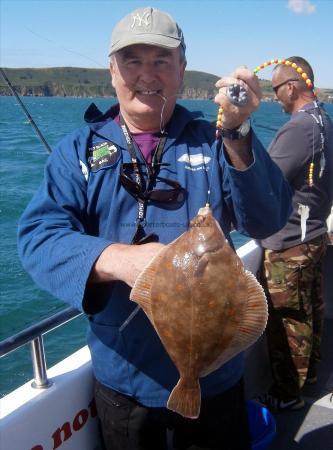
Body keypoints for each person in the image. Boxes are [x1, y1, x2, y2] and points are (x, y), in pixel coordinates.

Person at [17, 6, 292, 450]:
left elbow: (268, 220)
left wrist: (239, 132)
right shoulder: (78, 154)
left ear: (182, 69)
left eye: (161, 61)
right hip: (127, 381)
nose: (148, 75)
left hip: (217, 380)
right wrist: (121, 260)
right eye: (133, 61)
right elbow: (37, 239)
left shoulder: (216, 140)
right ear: (112, 71)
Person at [257, 56, 333, 412]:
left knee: (289, 322)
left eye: (275, 90)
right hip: (315, 235)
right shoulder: (324, 120)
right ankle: (311, 377)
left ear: (291, 87)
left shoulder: (298, 129)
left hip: (291, 245)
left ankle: (288, 394)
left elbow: (265, 184)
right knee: (311, 313)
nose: (275, 99)